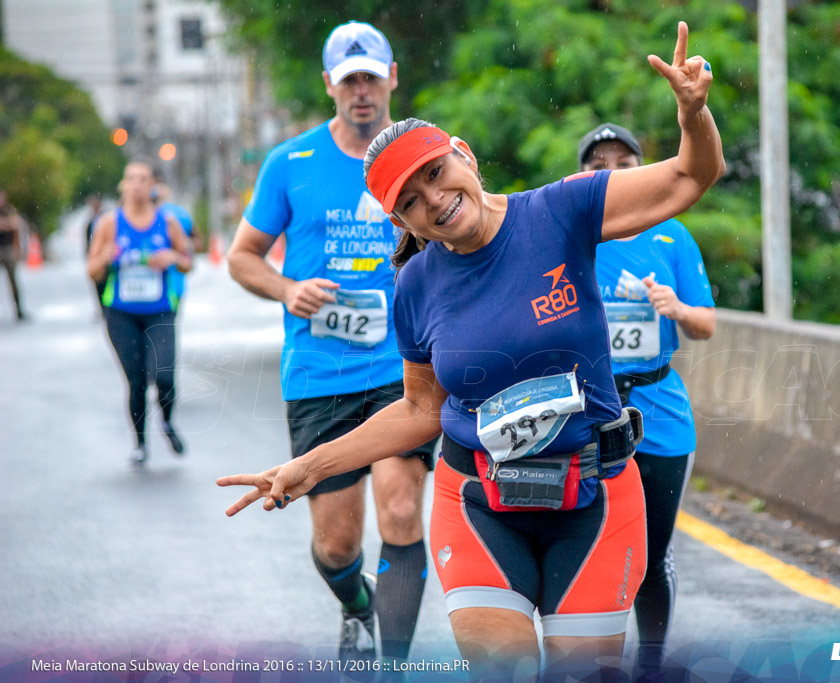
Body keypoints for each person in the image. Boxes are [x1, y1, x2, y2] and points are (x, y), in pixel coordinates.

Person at [220, 21, 724, 679]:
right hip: (479, 501)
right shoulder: (416, 287)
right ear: (401, 221)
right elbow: (419, 411)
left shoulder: (561, 212)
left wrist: (693, 113)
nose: (434, 198)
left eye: (436, 172)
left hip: (595, 492)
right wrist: (308, 467)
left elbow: (691, 176)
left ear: (465, 155)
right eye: (410, 201)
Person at [225, 20, 433, 665]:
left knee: (401, 513)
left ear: (393, 76)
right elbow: (242, 258)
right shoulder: (292, 163)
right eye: (350, 81)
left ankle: (392, 661)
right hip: (320, 370)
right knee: (337, 545)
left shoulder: (427, 154)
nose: (362, 92)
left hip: (406, 367)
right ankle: (357, 606)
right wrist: (288, 290)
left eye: (372, 76)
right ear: (329, 86)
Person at [580, 122, 716, 678]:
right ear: (583, 176)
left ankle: (652, 664)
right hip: (588, 411)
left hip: (659, 409)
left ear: (645, 169)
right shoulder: (572, 238)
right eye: (597, 163)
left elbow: (706, 324)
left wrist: (675, 308)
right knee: (591, 550)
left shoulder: (671, 236)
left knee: (651, 556)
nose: (611, 172)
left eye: (624, 161)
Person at [87, 160, 191, 464]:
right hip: (120, 314)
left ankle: (168, 421)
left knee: (164, 376)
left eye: (143, 179)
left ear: (152, 186)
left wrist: (172, 256)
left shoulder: (167, 221)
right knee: (136, 380)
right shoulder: (109, 223)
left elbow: (188, 261)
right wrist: (105, 258)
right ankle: (140, 443)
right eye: (131, 179)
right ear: (124, 185)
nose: (137, 185)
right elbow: (91, 271)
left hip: (160, 311)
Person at [154, 183, 195, 315]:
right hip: (170, 285)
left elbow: (193, 241)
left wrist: (177, 254)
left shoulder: (175, 215)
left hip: (171, 283)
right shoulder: (180, 213)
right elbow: (195, 241)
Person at [0, 188, 29, 322]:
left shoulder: (9, 210)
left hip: (7, 248)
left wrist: (18, 250)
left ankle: (19, 311)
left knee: (13, 282)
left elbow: (17, 226)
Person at [84, 194, 107, 314]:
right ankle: (101, 308)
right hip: (96, 255)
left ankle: (106, 306)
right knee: (97, 283)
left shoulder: (107, 218)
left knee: (105, 283)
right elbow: (87, 240)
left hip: (107, 256)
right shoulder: (90, 220)